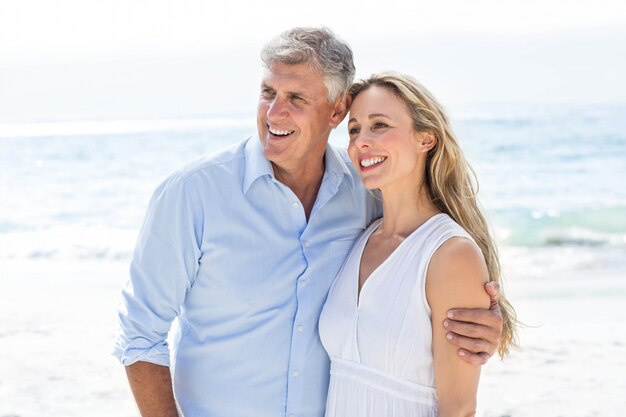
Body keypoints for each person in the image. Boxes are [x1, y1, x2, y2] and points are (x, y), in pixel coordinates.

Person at [113, 27, 505, 417]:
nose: (273, 113)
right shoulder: (192, 194)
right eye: (268, 93)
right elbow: (140, 334)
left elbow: (424, 265)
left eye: (296, 98)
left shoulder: (365, 194)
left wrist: (484, 318)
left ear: (336, 110)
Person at [319, 72, 518, 417]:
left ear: (426, 139)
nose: (360, 142)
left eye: (379, 125)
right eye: (354, 130)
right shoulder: (363, 238)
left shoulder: (451, 254)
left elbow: (459, 409)